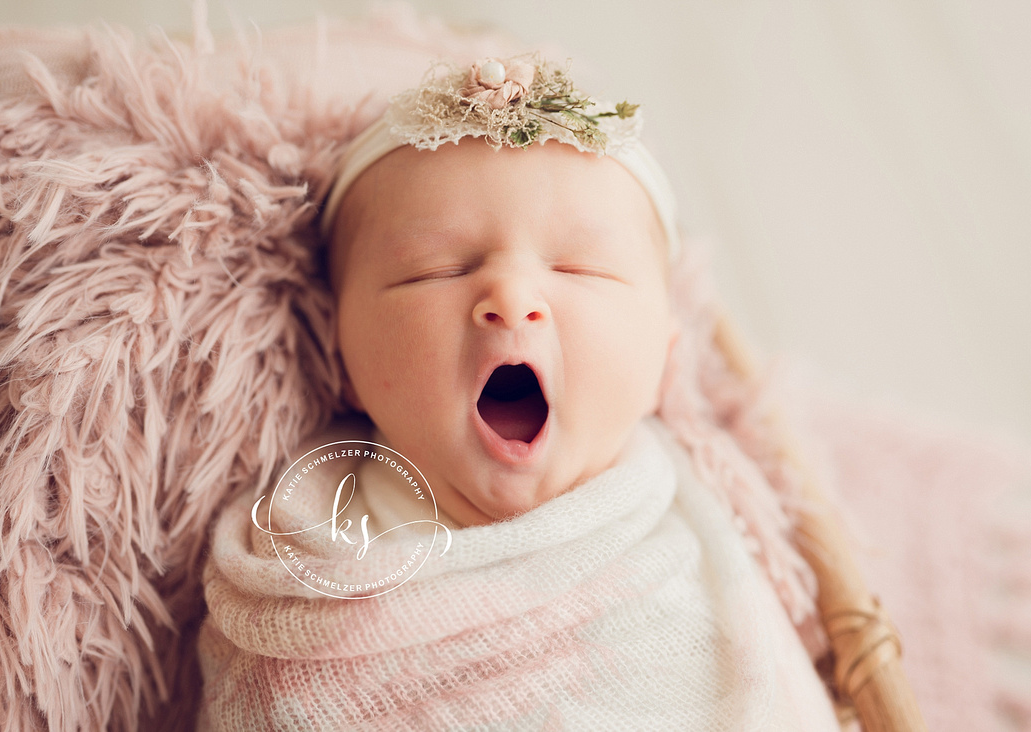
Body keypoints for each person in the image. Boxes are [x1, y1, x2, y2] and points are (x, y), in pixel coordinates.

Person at [196, 55, 844, 731]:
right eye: (433, 270)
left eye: (579, 267)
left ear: (665, 361)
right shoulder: (298, 561)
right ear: (342, 358)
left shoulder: (700, 546)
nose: (510, 297)